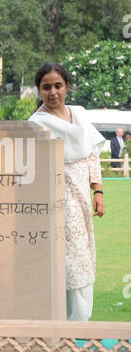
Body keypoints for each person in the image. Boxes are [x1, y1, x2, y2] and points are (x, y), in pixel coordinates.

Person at [28, 62, 105, 322]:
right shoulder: (36, 124)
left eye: (58, 86)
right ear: (38, 90)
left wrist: (98, 191)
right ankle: (67, 325)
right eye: (46, 87)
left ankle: (76, 327)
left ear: (67, 87)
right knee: (71, 262)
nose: (53, 93)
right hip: (56, 200)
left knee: (83, 255)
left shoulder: (79, 114)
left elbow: (92, 153)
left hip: (82, 197)